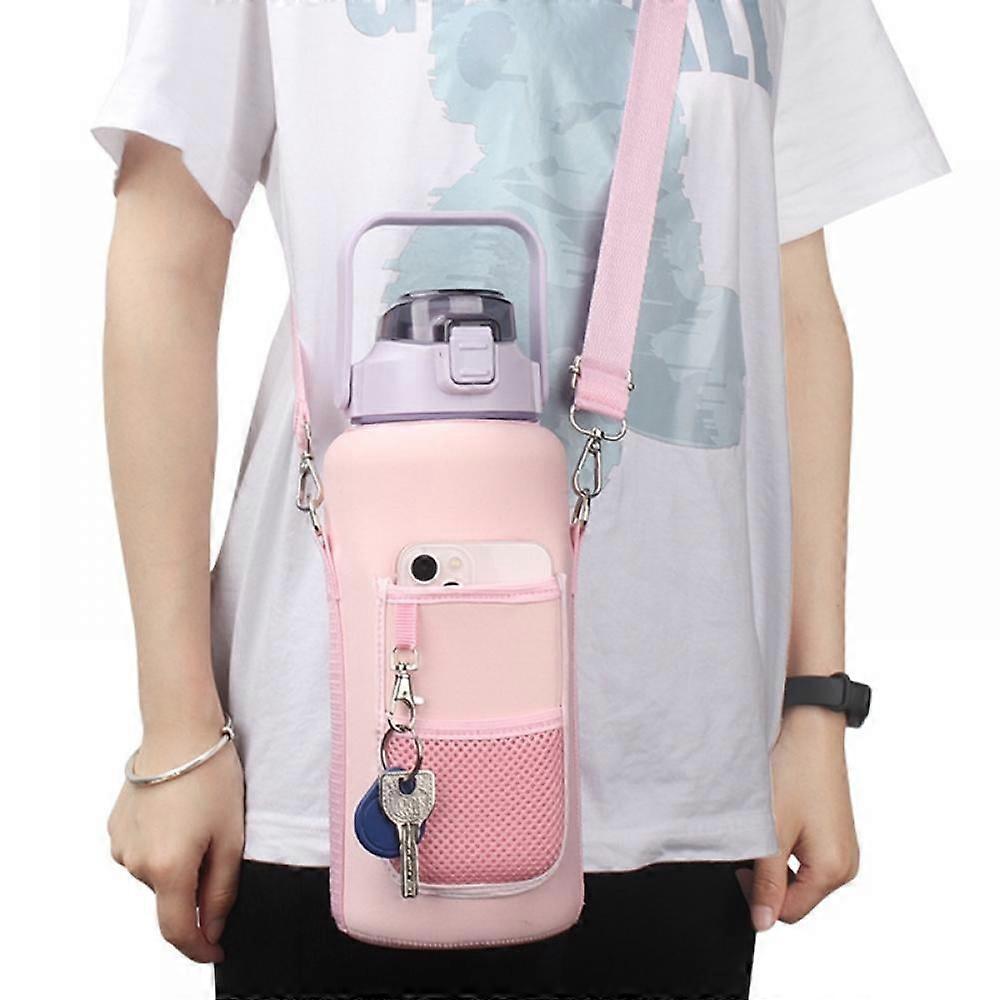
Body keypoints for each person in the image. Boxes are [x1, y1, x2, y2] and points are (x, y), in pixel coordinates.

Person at [95, 1, 948, 997]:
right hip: (349, 755)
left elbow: (788, 297)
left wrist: (812, 702)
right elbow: (166, 255)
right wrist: (176, 729)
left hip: (684, 765)